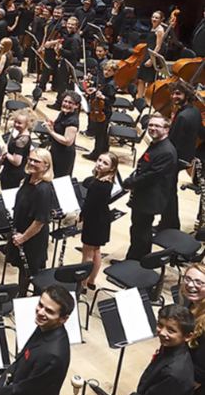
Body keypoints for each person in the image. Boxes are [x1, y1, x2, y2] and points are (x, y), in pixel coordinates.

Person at [123, 114, 177, 261]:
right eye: (150, 125)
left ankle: (134, 262)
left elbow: (151, 176)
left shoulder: (166, 151)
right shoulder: (157, 144)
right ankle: (139, 259)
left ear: (166, 130)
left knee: (141, 232)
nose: (152, 128)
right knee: (139, 230)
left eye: (157, 126)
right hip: (144, 194)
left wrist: (130, 182)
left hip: (150, 198)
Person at [170, 265, 205, 395]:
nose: (191, 285)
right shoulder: (190, 306)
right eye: (188, 279)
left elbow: (200, 373)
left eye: (200, 283)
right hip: (184, 386)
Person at [8, 148, 54, 295]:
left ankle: (30, 298)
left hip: (33, 237)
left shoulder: (43, 189)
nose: (31, 163)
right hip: (22, 229)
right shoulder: (28, 179)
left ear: (46, 166)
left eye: (36, 161)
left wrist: (23, 238)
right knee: (23, 269)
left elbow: (40, 221)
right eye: (30, 159)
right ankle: (21, 294)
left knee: (31, 270)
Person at [160, 80, 205, 231]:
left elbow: (173, 144)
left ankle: (168, 225)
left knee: (168, 193)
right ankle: (171, 224)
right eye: (173, 93)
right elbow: (202, 133)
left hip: (176, 159)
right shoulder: (194, 111)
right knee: (170, 192)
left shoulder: (182, 117)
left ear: (187, 94)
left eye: (178, 94)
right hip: (188, 156)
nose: (174, 96)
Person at [79, 152, 118, 290]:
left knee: (87, 254)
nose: (100, 164)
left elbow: (89, 204)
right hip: (103, 219)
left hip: (93, 220)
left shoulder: (98, 184)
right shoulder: (108, 182)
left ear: (112, 168)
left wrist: (81, 216)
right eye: (99, 160)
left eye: (105, 163)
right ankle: (91, 281)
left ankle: (82, 284)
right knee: (96, 250)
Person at [83, 59, 117, 160]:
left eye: (109, 70)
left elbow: (111, 101)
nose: (106, 72)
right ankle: (103, 151)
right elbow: (101, 89)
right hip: (100, 109)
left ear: (114, 72)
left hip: (104, 111)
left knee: (100, 134)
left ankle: (96, 154)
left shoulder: (111, 84)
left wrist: (103, 97)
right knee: (102, 133)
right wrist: (94, 90)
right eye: (105, 69)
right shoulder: (104, 79)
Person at [44, 90, 80, 178]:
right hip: (56, 150)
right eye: (65, 101)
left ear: (76, 105)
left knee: (59, 179)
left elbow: (67, 141)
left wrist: (51, 132)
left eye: (70, 103)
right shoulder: (63, 114)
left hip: (64, 155)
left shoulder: (72, 121)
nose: (66, 104)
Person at [0, 110, 32, 190]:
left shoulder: (21, 140)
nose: (16, 124)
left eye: (20, 123)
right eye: (15, 121)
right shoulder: (23, 135)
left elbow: (17, 162)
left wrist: (5, 152)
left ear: (27, 124)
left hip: (12, 174)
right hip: (14, 172)